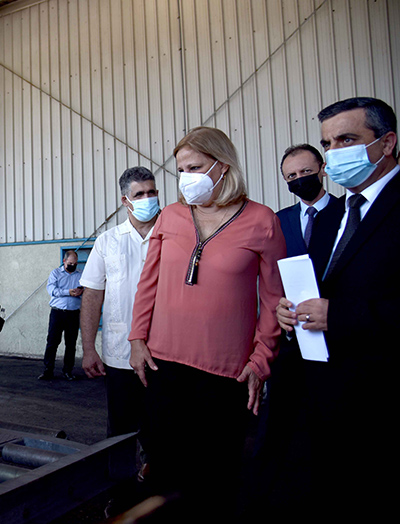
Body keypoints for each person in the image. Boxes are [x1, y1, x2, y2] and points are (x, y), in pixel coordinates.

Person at [128, 127, 286, 518]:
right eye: (181, 170)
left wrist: (261, 360)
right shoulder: (171, 216)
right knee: (165, 469)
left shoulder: (262, 221)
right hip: (162, 366)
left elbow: (273, 301)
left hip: (225, 374)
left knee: (216, 478)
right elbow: (148, 281)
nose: (186, 178)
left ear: (222, 165)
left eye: (195, 167)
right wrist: (137, 339)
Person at [276, 97, 399, 519]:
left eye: (347, 138)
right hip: (328, 397)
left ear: (387, 143)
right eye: (328, 143)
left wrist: (340, 316)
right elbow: (328, 287)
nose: (335, 152)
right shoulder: (341, 212)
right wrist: (288, 310)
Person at [253, 144, 343, 512]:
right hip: (291, 338)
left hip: (339, 338)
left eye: (304, 172)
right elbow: (269, 278)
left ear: (321, 169)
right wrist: (277, 307)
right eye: (290, 177)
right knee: (280, 424)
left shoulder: (347, 213)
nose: (298, 180)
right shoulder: (279, 220)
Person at [80, 167, 159, 442]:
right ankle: (120, 479)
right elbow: (92, 295)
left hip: (165, 352)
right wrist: (88, 348)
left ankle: (156, 478)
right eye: (139, 194)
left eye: (152, 192)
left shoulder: (173, 236)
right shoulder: (107, 241)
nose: (148, 198)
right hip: (119, 353)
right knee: (121, 430)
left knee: (162, 428)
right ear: (125, 200)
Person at [38, 250, 82, 381]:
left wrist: (81, 291)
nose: (72, 265)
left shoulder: (80, 274)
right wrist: (68, 292)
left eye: (74, 263)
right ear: (64, 261)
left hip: (73, 313)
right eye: (70, 263)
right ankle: (48, 370)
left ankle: (68, 371)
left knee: (71, 343)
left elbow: (86, 289)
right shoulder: (55, 273)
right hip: (58, 312)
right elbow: (51, 290)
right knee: (52, 341)